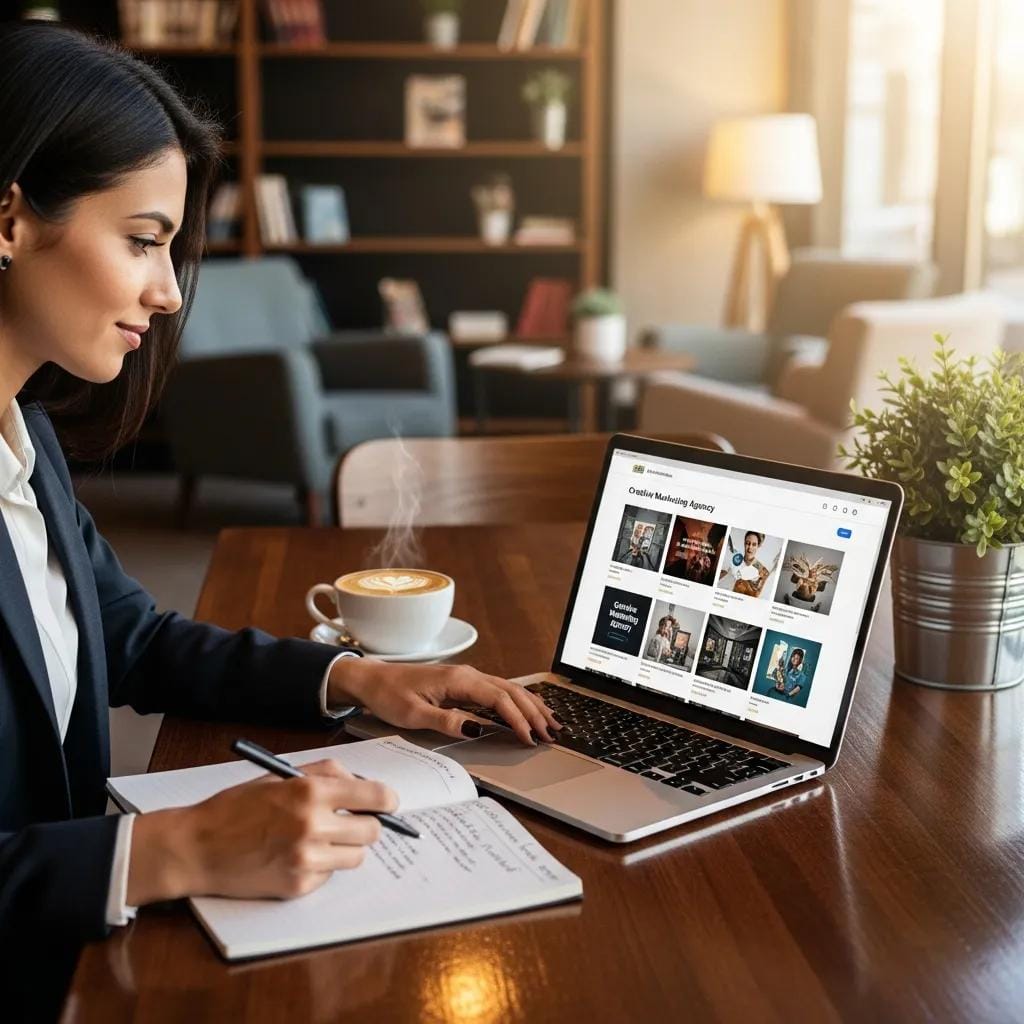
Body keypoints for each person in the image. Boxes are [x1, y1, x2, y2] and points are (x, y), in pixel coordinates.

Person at [0, 22, 560, 1016]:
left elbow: (132, 636)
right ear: (9, 218)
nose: (168, 293)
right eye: (142, 241)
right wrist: (163, 847)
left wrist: (360, 676)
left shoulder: (23, 436)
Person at [719, 530, 770, 598]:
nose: (750, 547)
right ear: (744, 543)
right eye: (747, 543)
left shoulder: (761, 571)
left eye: (754, 544)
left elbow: (765, 574)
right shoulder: (735, 559)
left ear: (758, 546)